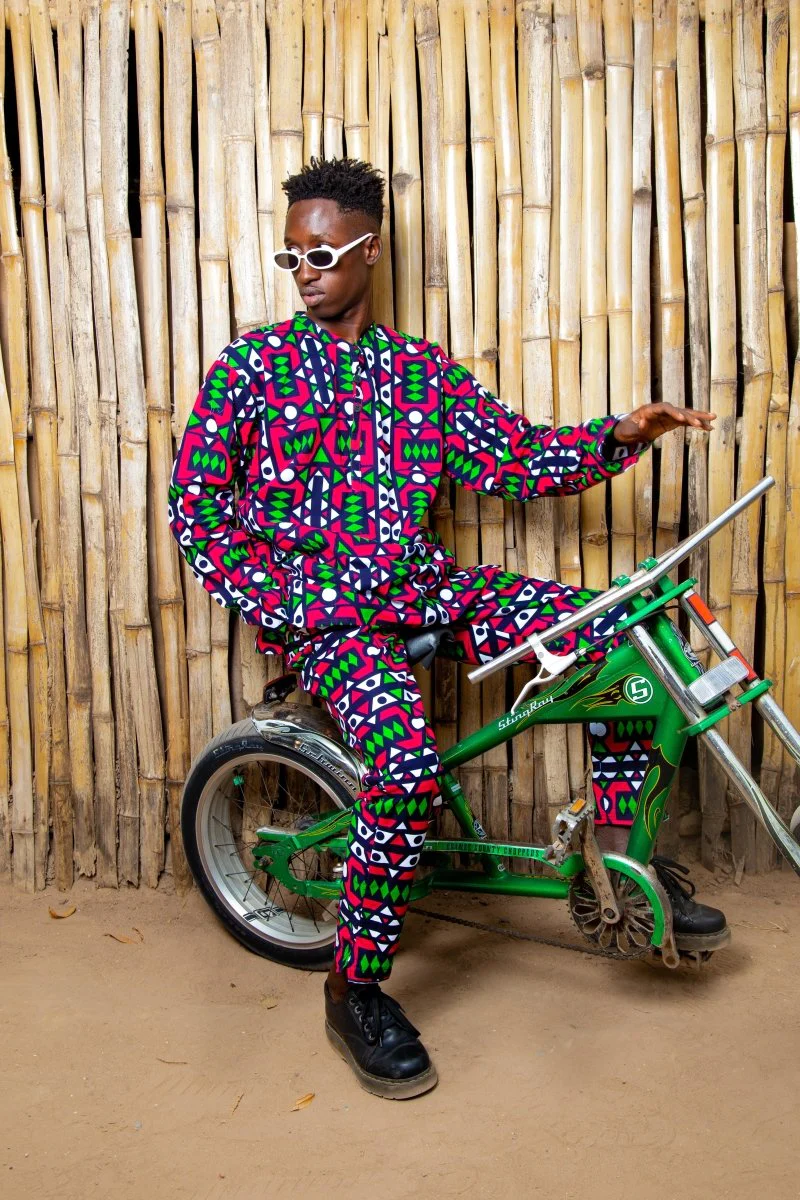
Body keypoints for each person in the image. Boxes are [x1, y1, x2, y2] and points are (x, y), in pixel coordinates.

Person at [169, 157, 726, 1100]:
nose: (303, 269)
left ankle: (618, 865)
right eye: (289, 254)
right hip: (337, 627)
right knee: (408, 769)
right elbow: (195, 510)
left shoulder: (420, 375)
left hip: (429, 592)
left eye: (322, 251)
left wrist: (621, 436)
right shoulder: (252, 374)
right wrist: (294, 605)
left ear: (368, 251)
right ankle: (355, 992)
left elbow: (519, 456)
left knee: (621, 631)